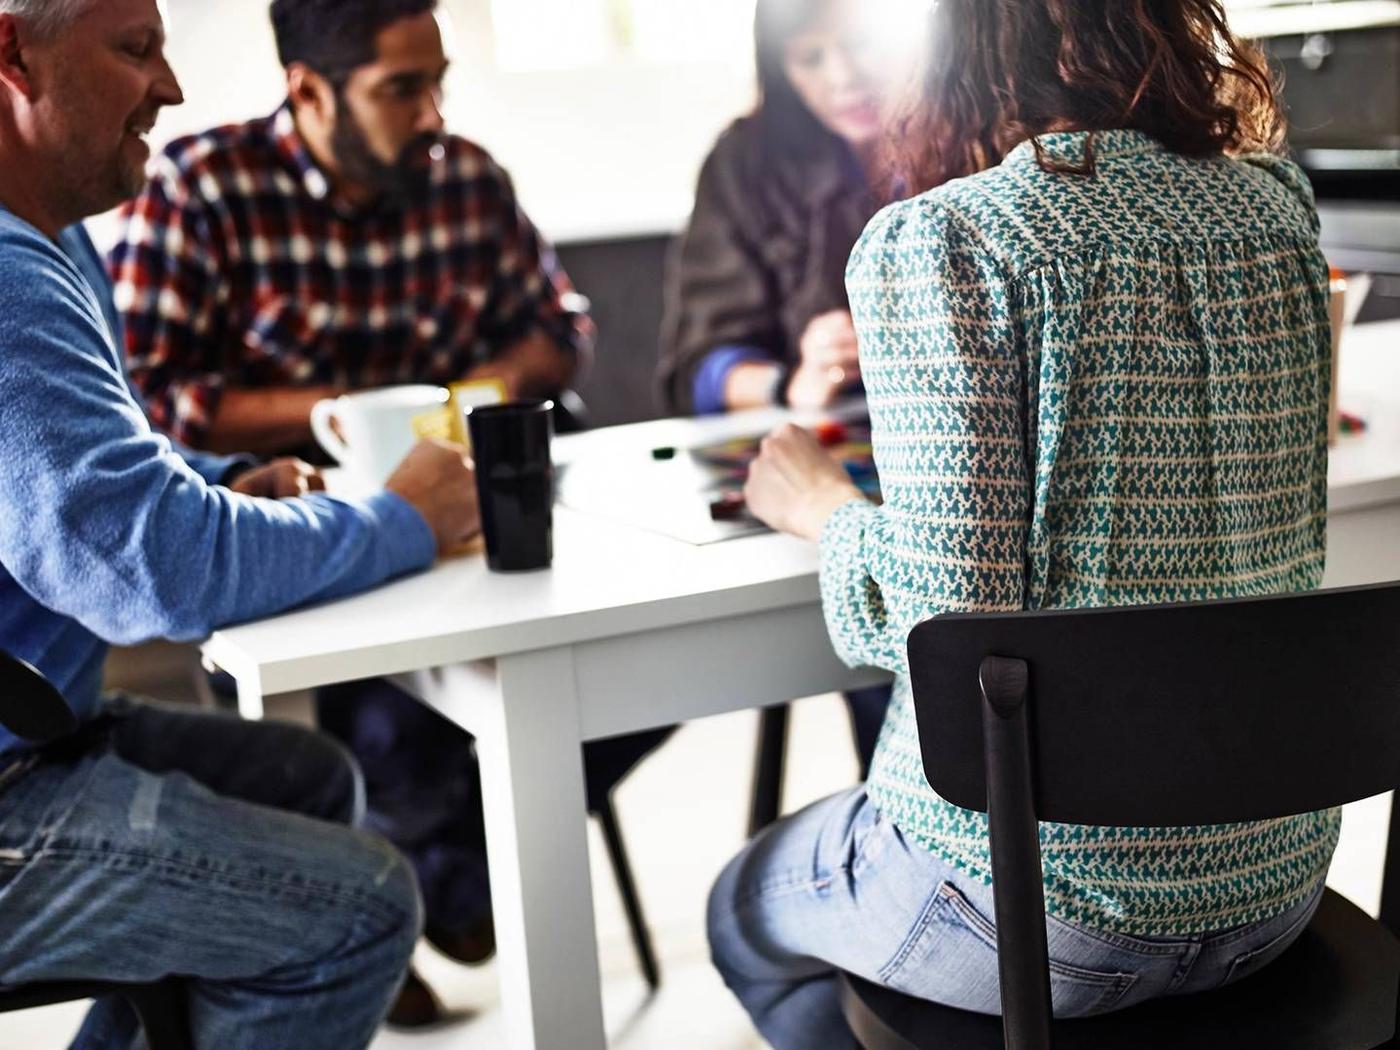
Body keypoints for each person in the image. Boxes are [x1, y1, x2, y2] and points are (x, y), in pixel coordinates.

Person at [707, 1, 1339, 1046]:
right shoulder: (1272, 210)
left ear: (955, 51)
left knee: (738, 915)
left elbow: (942, 639)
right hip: (1272, 890)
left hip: (1035, 916)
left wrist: (821, 509)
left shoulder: (944, 242)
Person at [108, 0, 669, 1024]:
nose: (433, 112)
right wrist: (340, 415)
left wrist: (483, 386)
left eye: (438, 80)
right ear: (310, 89)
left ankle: (447, 882)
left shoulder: (464, 177)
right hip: (296, 536)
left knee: (652, 657)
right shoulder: (200, 186)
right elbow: (149, 395)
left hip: (473, 523)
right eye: (401, 89)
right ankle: (416, 887)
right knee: (377, 714)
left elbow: (559, 326)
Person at [0, 0, 482, 1046]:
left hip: (40, 730)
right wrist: (400, 519)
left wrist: (227, 477)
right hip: (9, 789)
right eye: (136, 51)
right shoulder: (5, 279)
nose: (170, 89)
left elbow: (112, 472)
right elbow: (151, 572)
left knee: (310, 778)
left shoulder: (51, 242)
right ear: (12, 58)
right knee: (360, 909)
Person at [658, 0, 897, 774]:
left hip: (950, 480)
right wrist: (795, 378)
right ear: (780, 68)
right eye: (810, 58)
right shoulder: (748, 160)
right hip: (814, 500)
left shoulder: (971, 132)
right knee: (887, 634)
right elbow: (697, 365)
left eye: (858, 44)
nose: (844, 76)